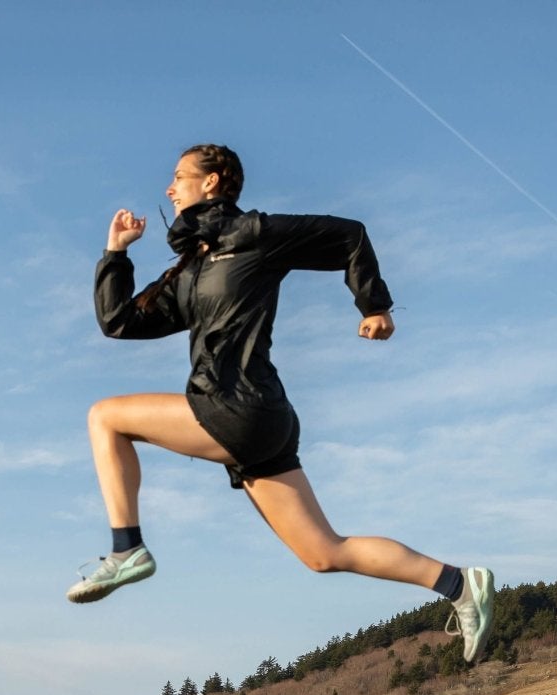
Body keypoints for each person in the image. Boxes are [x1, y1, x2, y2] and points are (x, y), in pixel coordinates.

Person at [74, 143, 497, 663]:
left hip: (240, 406)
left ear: (213, 182)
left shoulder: (254, 234)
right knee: (324, 552)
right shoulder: (192, 269)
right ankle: (459, 584)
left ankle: (126, 549)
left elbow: (348, 235)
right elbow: (120, 323)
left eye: (179, 176)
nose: (169, 187)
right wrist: (116, 254)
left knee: (105, 417)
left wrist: (375, 305)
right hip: (258, 422)